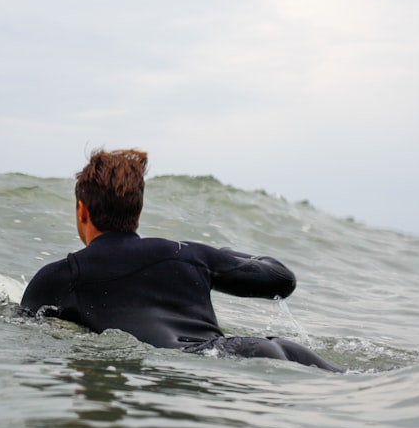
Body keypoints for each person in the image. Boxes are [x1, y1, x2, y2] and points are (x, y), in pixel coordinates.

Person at [19, 148, 343, 372]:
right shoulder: (188, 255)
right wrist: (216, 256)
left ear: (82, 211)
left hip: (200, 366)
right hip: (269, 350)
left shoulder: (62, 277)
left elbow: (22, 330)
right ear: (139, 210)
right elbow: (280, 280)